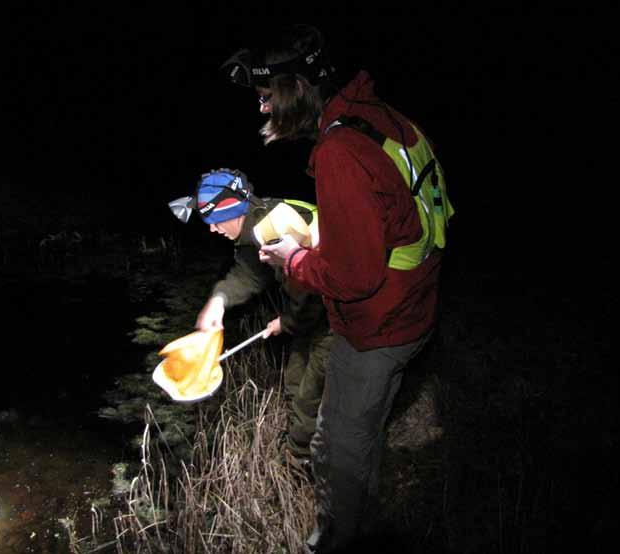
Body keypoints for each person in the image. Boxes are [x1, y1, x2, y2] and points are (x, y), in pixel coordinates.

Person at [221, 25, 454, 553]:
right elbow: (396, 216)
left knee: (337, 450)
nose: (261, 111)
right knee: (360, 432)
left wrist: (295, 257)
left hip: (378, 327)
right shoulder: (384, 119)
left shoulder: (339, 152)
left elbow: (354, 278)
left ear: (292, 89)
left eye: (263, 97)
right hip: (416, 307)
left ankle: (338, 542)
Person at [167, 168, 332, 466]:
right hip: (311, 312)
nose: (212, 230)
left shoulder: (273, 229)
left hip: (338, 314)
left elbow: (310, 295)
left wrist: (287, 322)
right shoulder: (254, 222)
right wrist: (218, 301)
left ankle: (302, 461)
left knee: (311, 394)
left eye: (215, 221)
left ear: (234, 210)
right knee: (294, 380)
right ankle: (298, 444)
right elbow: (249, 273)